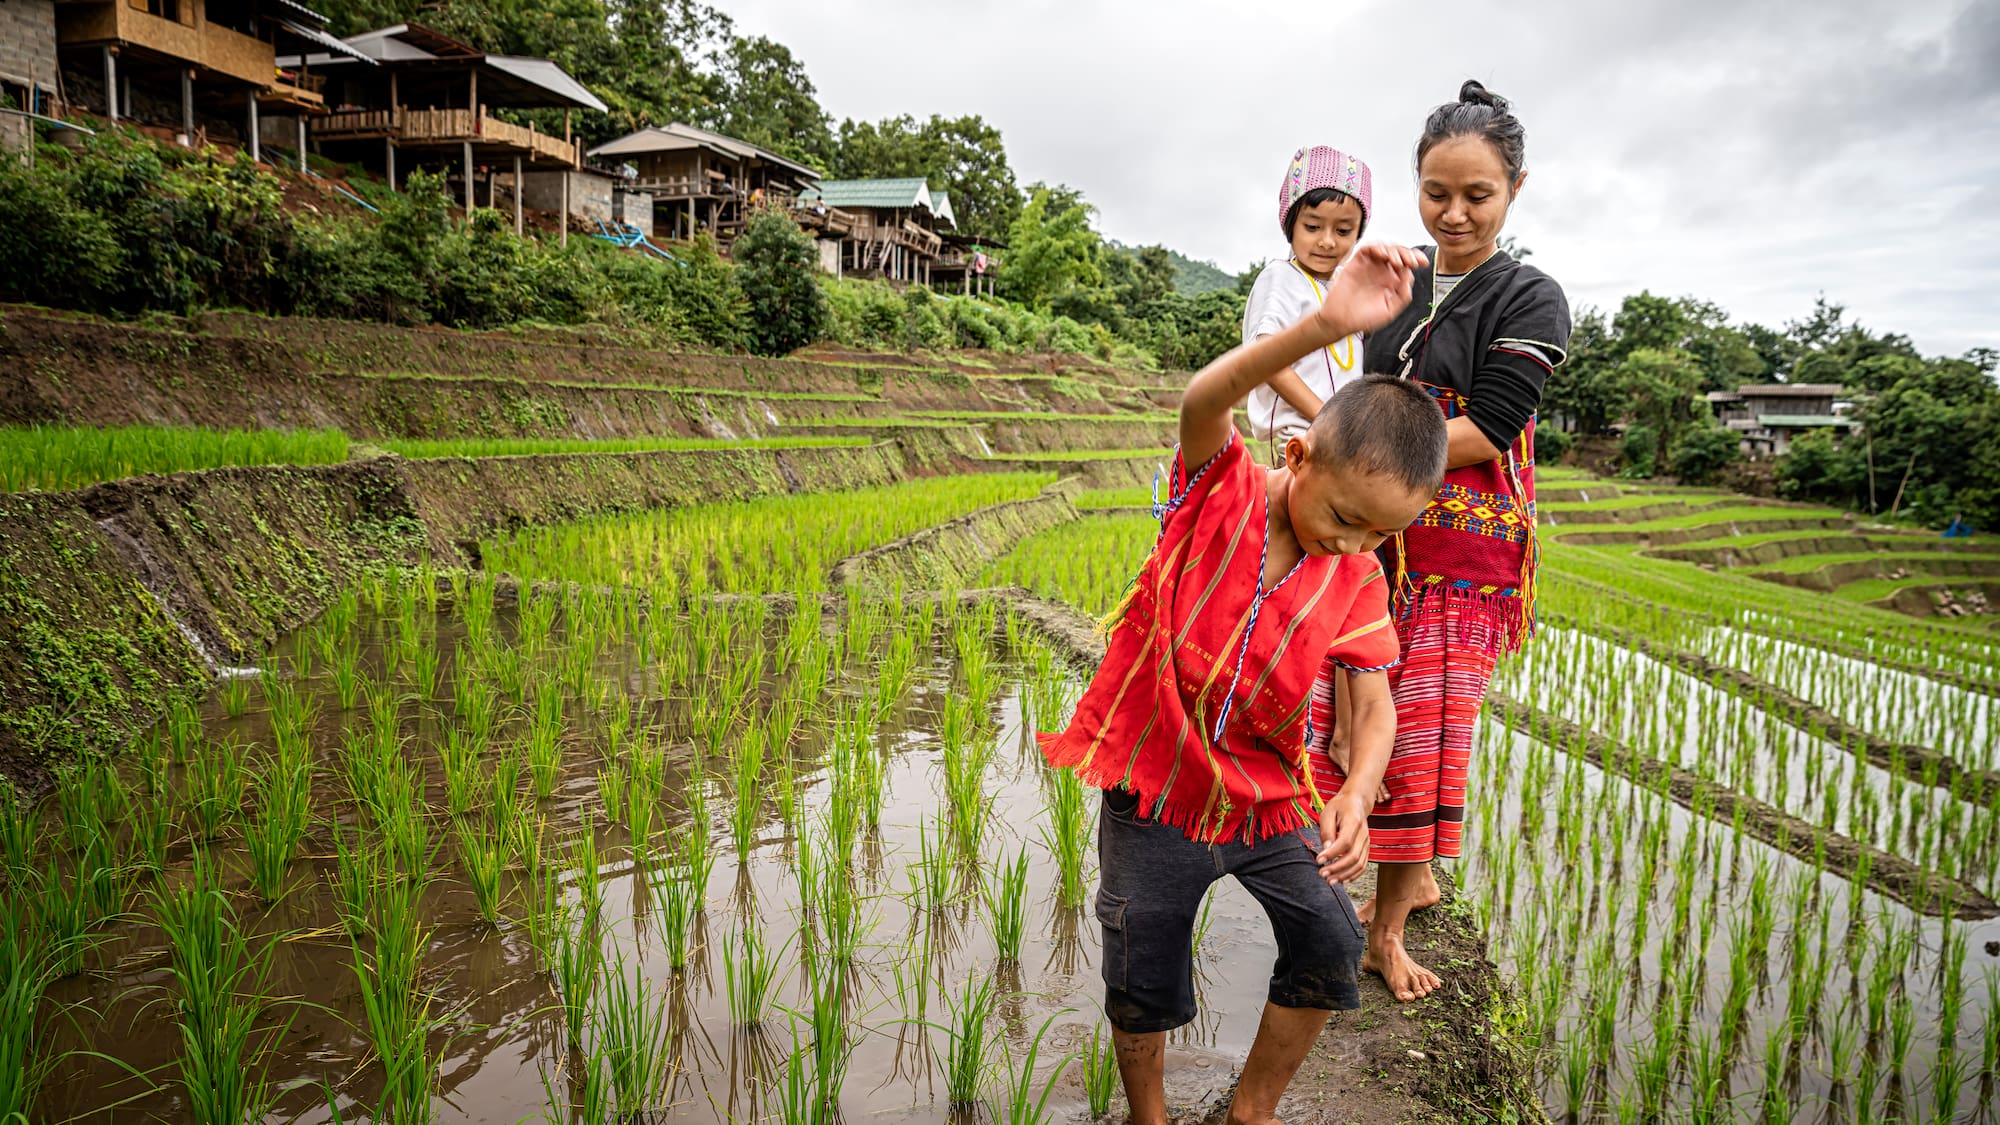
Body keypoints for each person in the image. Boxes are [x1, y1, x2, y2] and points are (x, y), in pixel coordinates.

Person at [1041, 244, 1446, 1125]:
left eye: (1380, 535)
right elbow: (1204, 399)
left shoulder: (1358, 577)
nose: (1352, 545)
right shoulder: (1216, 493)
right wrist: (1325, 327)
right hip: (1156, 788)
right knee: (1141, 965)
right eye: (1343, 517)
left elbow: (1374, 706)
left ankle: (1250, 1110)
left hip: (1266, 795)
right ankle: (1149, 1114)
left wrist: (1362, 792)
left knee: (1332, 941)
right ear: (1298, 455)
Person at [1345, 80, 1573, 1003]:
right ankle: (1413, 875)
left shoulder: (1530, 294)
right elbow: (1371, 390)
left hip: (1457, 561)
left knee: (1420, 740)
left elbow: (1492, 422)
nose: (1454, 213)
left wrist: (1380, 468)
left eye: (1477, 194)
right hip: (1379, 537)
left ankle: (1383, 934)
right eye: (1437, 192)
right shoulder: (1399, 279)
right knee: (1362, 720)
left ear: (1514, 188)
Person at [1241, 146, 1375, 462]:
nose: (1327, 241)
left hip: (1340, 441)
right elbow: (1268, 360)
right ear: (1290, 224)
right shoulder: (1281, 277)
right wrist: (1327, 418)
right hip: (1298, 444)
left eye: (1343, 230)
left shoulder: (1345, 289)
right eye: (1312, 227)